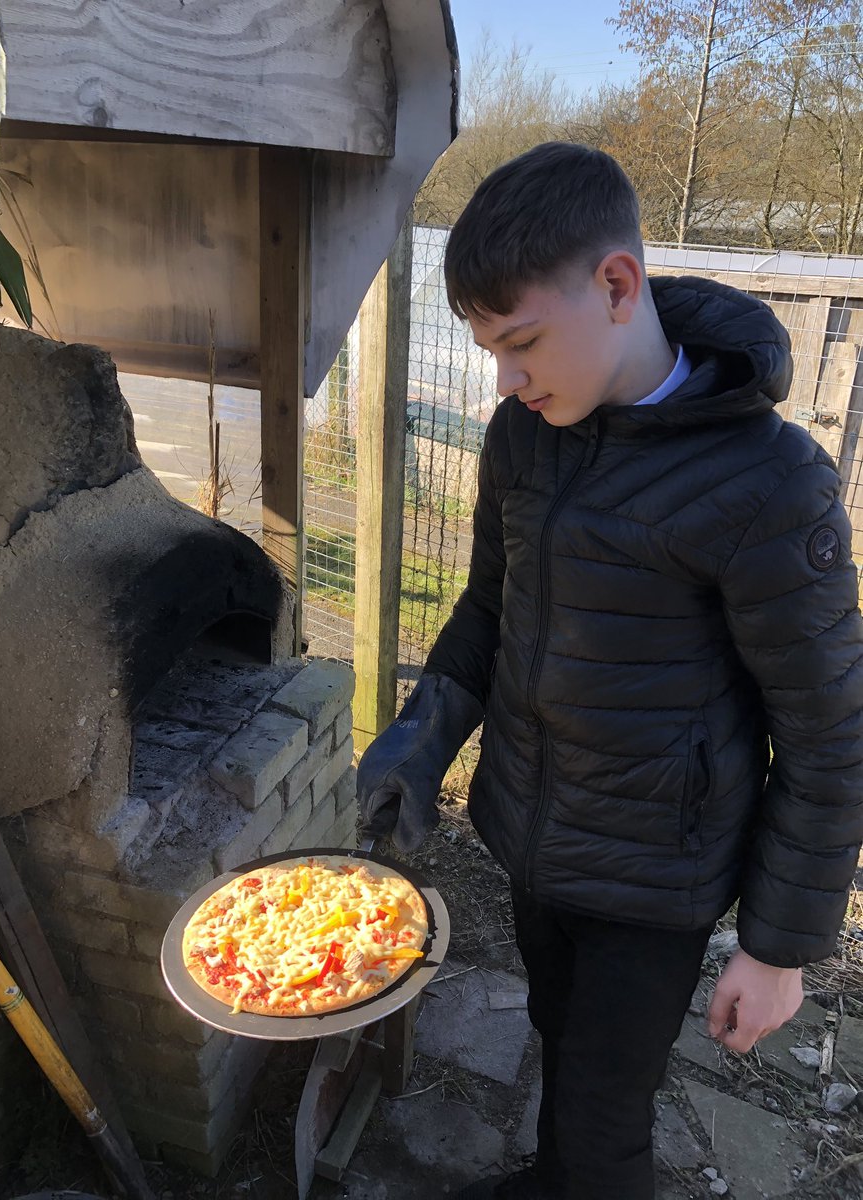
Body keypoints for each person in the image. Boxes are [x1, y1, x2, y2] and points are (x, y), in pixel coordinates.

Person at [356, 142, 863, 1200]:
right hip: (538, 838)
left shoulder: (771, 485)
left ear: (619, 286)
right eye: (489, 350)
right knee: (552, 1031)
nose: (506, 377)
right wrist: (422, 736)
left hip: (656, 881)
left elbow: (829, 735)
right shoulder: (522, 438)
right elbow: (488, 613)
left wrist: (777, 951)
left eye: (524, 341)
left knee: (603, 1119)